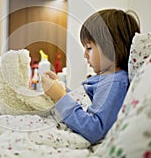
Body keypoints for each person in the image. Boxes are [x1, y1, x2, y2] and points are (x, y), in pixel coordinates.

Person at [41, 8, 140, 144]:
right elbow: (83, 103)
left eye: (89, 48)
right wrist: (61, 89)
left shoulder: (116, 83)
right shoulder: (105, 79)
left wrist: (60, 97)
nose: (85, 55)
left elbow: (94, 129)